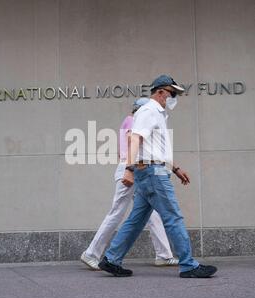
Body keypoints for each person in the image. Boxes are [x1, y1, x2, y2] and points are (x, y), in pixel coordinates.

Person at [98, 75, 218, 278]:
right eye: (172, 93)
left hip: (154, 171)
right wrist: (129, 168)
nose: (174, 98)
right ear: (160, 91)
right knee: (173, 217)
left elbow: (157, 150)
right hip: (153, 173)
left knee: (136, 220)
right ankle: (189, 266)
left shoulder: (159, 114)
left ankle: (111, 259)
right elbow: (135, 139)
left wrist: (175, 168)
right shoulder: (149, 111)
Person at [80, 98, 179, 270]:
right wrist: (130, 169)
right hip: (132, 169)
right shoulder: (135, 121)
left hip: (133, 168)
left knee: (152, 213)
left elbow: (122, 151)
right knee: (117, 212)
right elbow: (133, 143)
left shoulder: (128, 121)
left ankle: (164, 255)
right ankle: (91, 254)